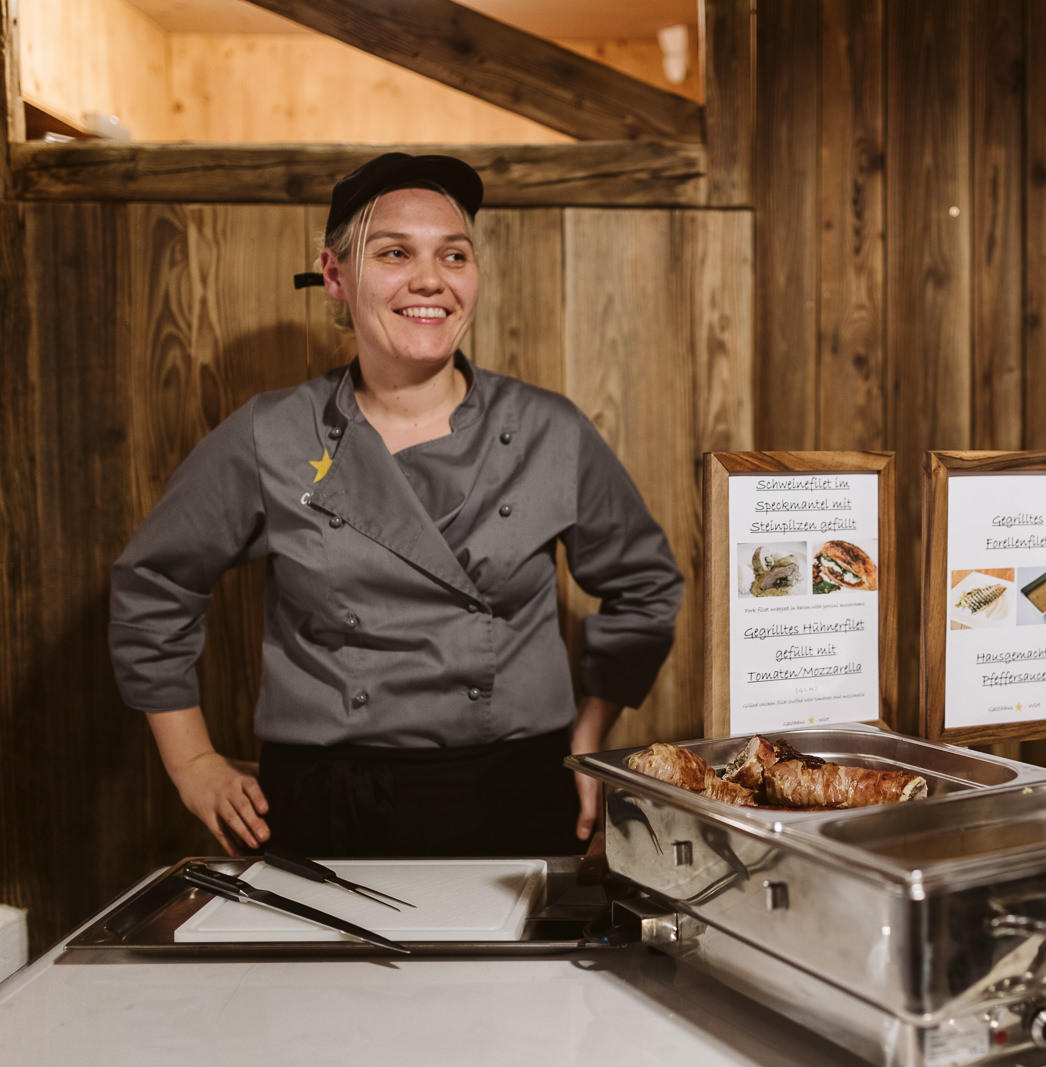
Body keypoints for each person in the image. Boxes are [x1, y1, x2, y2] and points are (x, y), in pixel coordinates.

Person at [109, 153, 682, 858]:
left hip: (516, 789)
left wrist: (592, 733)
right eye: (394, 252)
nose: (430, 279)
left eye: (454, 254)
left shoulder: (548, 429)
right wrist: (191, 763)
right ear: (335, 275)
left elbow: (646, 586)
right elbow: (153, 584)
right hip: (329, 802)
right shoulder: (272, 433)